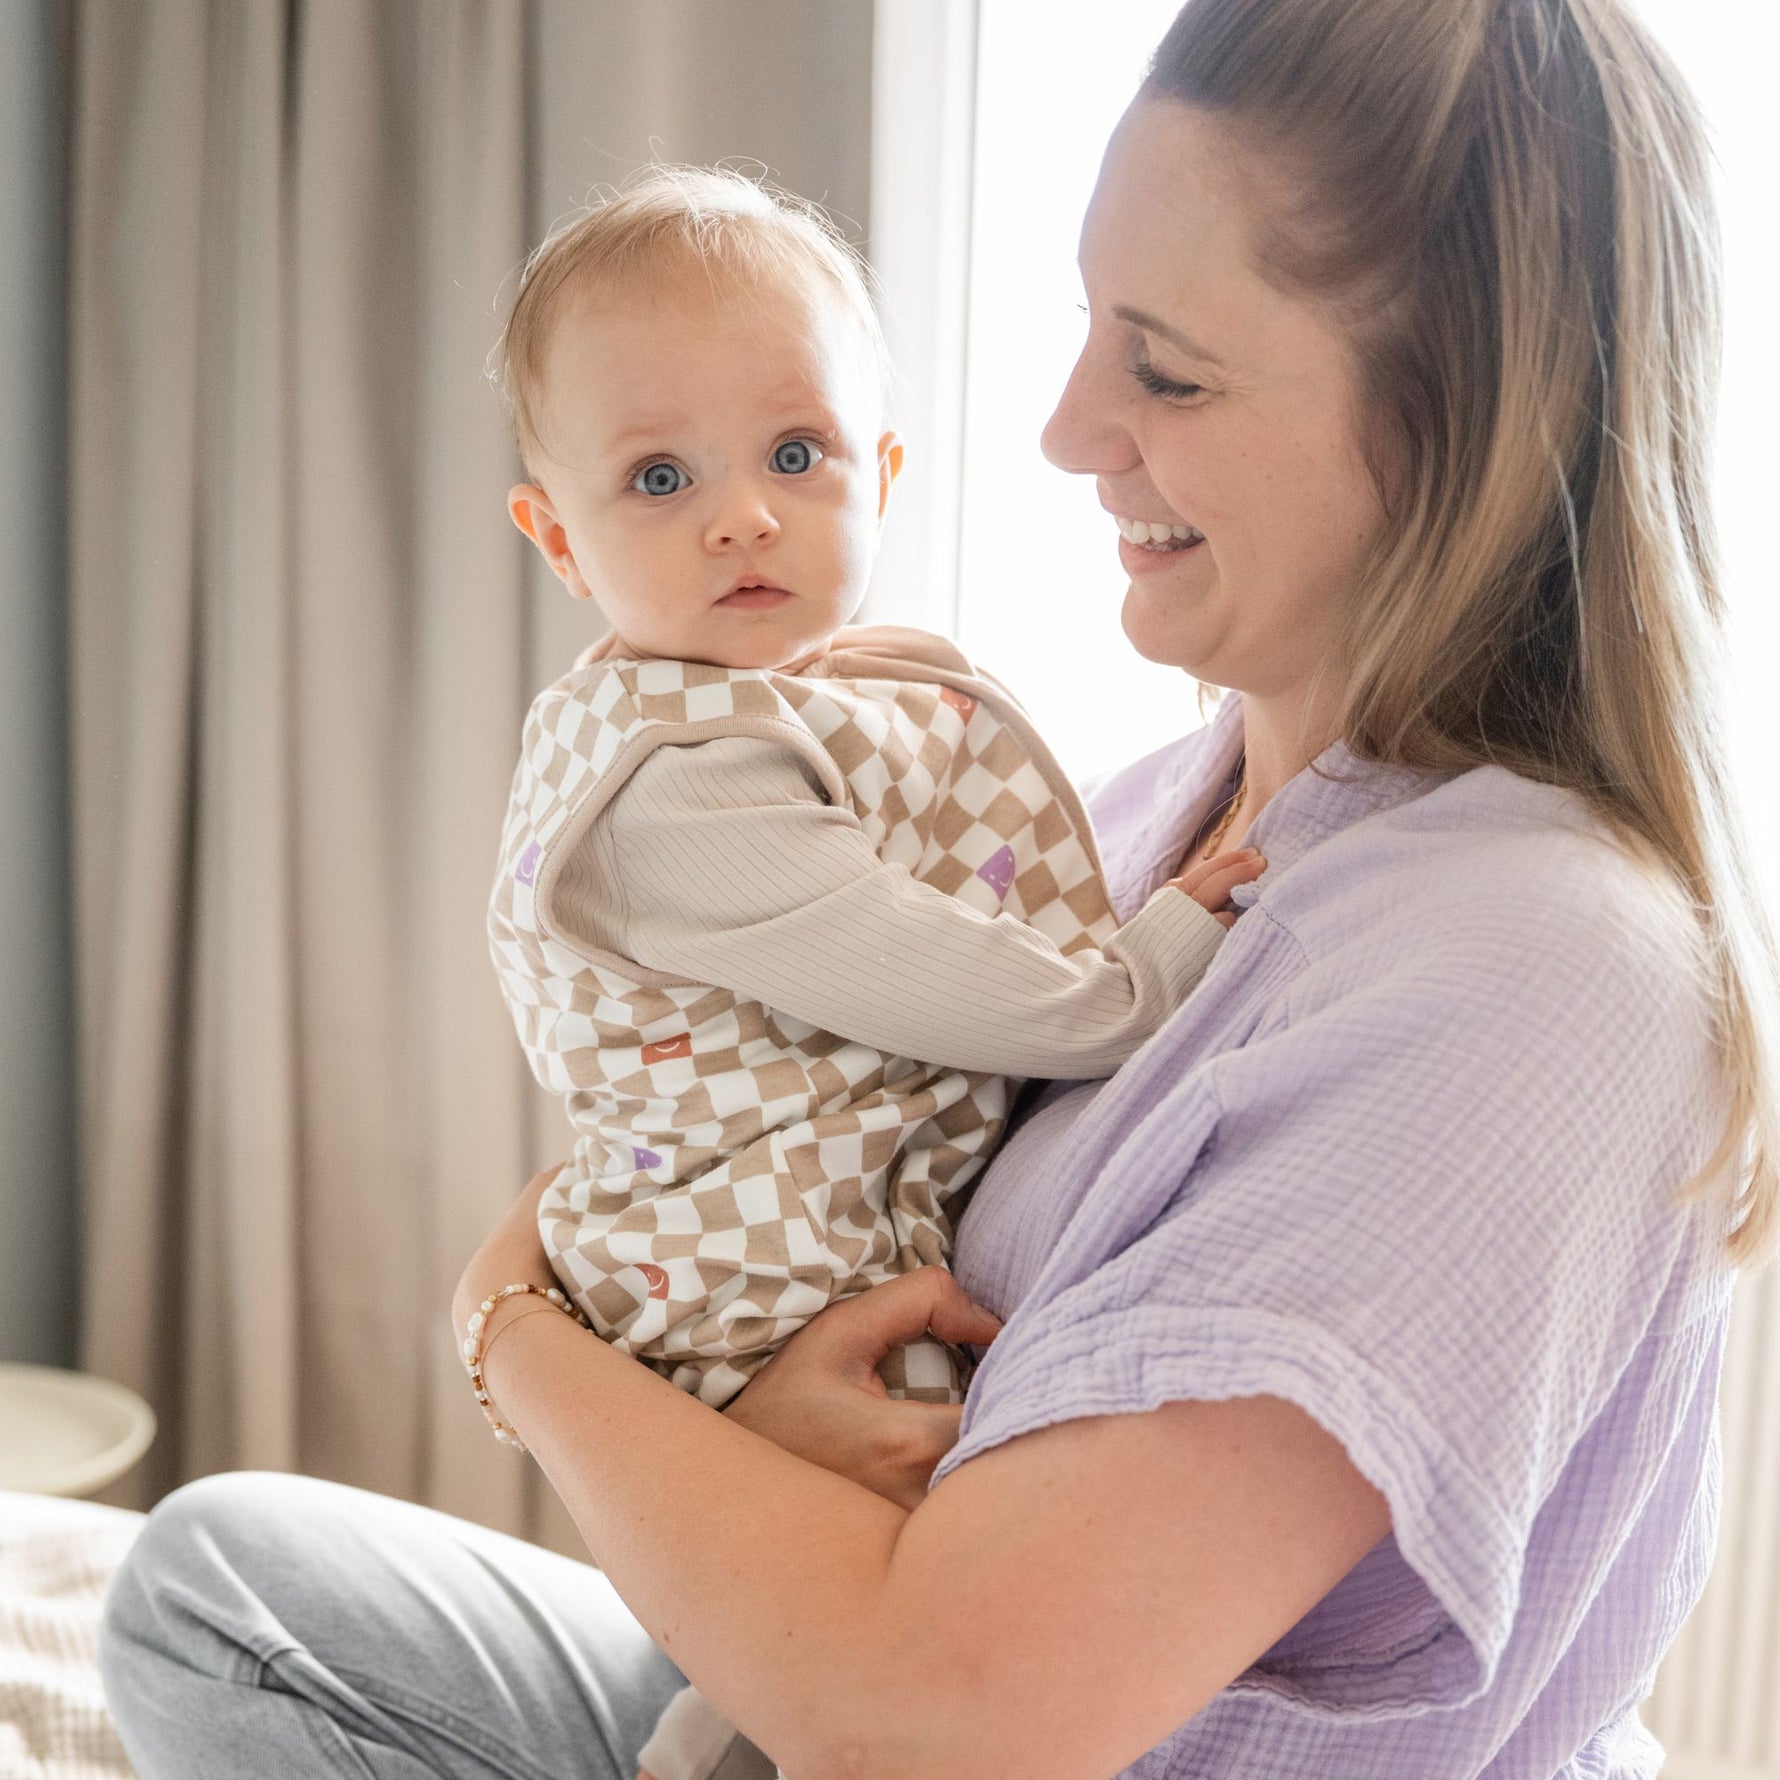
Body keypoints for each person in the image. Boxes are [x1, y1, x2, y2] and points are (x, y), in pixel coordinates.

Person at [99, 0, 1780, 1775]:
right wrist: (765, 1414)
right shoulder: (1144, 814)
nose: (1067, 430)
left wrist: (510, 1331)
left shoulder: (1530, 970)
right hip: (857, 1631)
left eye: (1172, 369)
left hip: (924, 1711)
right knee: (218, 1585)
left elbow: (948, 1725)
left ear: (1471, 422)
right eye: (1085, 328)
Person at [483, 166, 1257, 1778]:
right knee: (899, 1514)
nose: (741, 513)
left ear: (881, 471)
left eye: (793, 454)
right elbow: (937, 977)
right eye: (657, 477)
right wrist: (1152, 959)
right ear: (558, 539)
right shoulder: (684, 784)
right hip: (748, 1265)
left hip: (792, 1224)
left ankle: (723, 1726)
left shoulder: (812, 701)